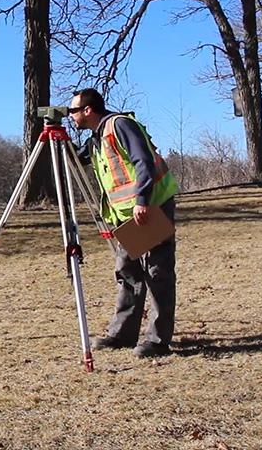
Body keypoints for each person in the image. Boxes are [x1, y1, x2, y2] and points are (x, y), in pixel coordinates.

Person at [70, 88, 179, 358]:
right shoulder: (97, 137)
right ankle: (122, 334)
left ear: (88, 110)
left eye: (73, 110)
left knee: (157, 272)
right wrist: (54, 138)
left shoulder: (119, 125)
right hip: (126, 214)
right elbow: (76, 158)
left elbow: (143, 161)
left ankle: (157, 340)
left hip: (150, 205)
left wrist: (143, 199)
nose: (70, 116)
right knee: (127, 270)